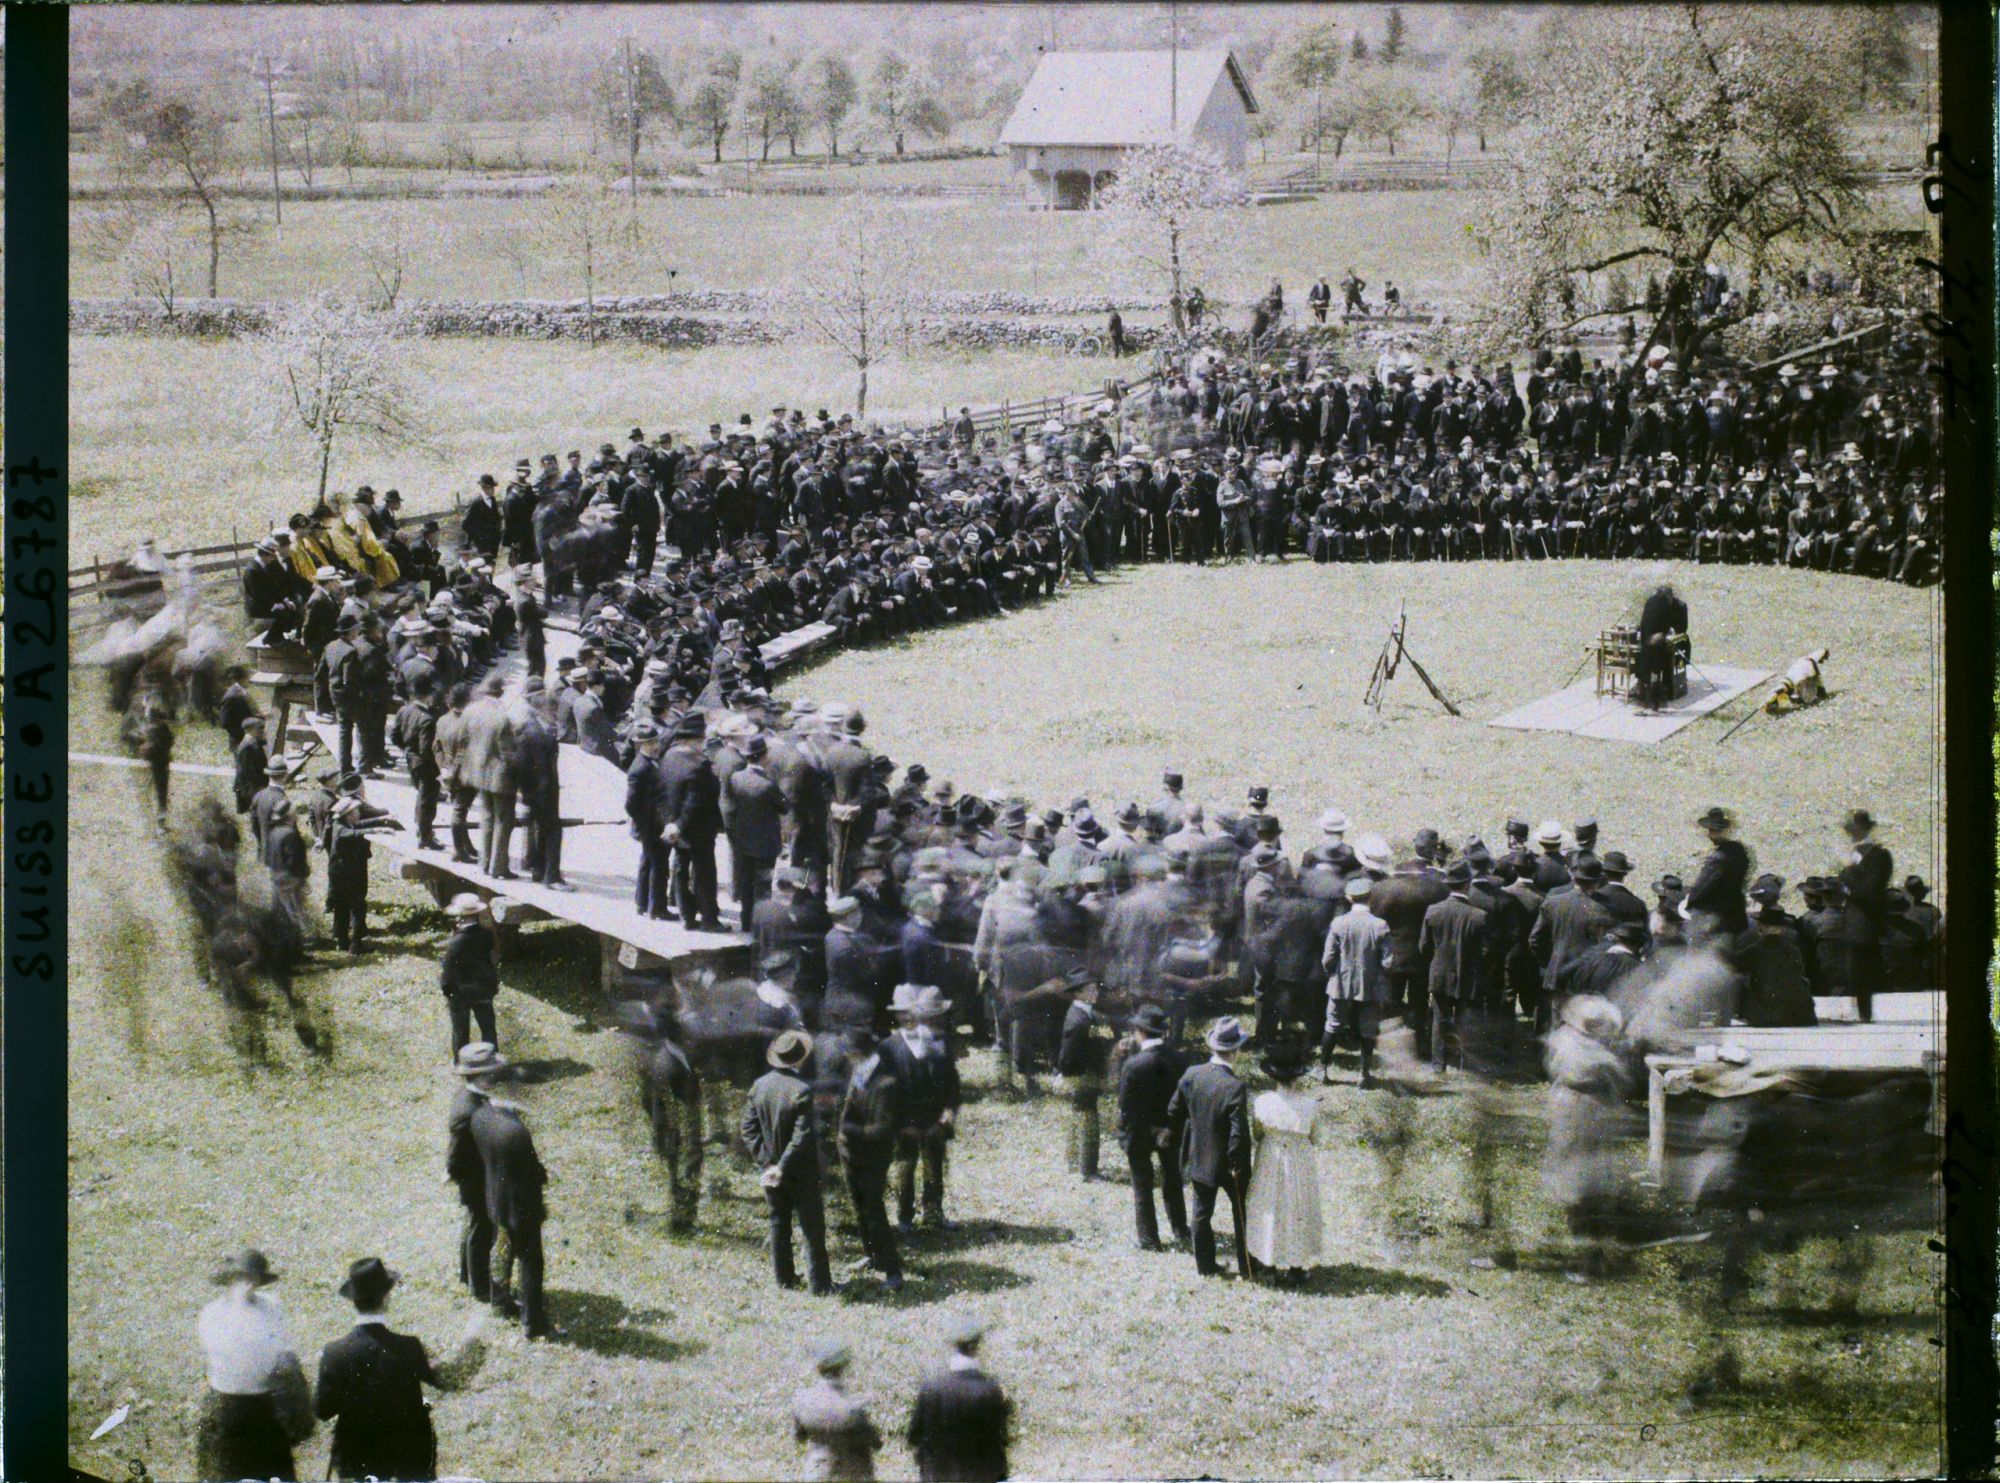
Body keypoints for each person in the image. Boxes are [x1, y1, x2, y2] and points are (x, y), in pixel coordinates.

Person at [313, 1256, 483, 1482]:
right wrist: (473, 1338)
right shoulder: (408, 1347)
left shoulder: (335, 1352)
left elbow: (322, 1410)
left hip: (358, 1461)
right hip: (407, 1461)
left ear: (353, 1301)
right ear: (386, 1298)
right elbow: (449, 1378)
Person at [461, 1043, 555, 1340]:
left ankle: (500, 1299)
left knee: (503, 1250)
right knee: (531, 1261)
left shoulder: (480, 1117)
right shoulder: (516, 1133)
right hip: (521, 1206)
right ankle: (533, 1322)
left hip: (496, 1199)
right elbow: (532, 1172)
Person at [195, 1248, 314, 1483]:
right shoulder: (213, 1314)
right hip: (227, 1408)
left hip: (265, 1406)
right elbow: (225, 1355)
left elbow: (281, 1350)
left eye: (253, 1278)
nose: (248, 1284)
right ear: (230, 1279)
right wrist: (238, 1308)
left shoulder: (271, 1307)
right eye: (242, 1278)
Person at [743, 1029, 835, 1295]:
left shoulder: (759, 1086)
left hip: (771, 1171)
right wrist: (782, 1167)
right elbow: (801, 1136)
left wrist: (768, 1164)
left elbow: (748, 1129)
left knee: (778, 1223)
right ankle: (820, 1285)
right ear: (800, 1059)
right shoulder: (801, 1090)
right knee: (811, 1227)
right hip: (800, 1171)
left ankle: (784, 1279)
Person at [1166, 1016, 1253, 1279]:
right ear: (1236, 1051)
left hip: (1199, 1156)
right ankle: (1248, 1267)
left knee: (1201, 1214)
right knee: (1242, 1214)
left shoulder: (1192, 1074)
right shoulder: (1235, 1087)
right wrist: (1237, 1164)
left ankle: (1205, 1267)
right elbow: (1239, 1134)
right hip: (1229, 1163)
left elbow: (1174, 1110)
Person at [878, 985, 961, 1233]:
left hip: (935, 1116)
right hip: (904, 1119)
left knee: (935, 1163)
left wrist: (949, 1109)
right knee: (905, 1165)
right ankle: (905, 1216)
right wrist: (896, 1123)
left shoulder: (941, 1043)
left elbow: (951, 1080)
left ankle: (933, 1212)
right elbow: (884, 1090)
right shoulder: (889, 1047)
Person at [1243, 1043, 1326, 1284]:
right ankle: (1296, 1266)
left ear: (1273, 1076)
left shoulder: (1263, 1102)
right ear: (1298, 1076)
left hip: (1271, 1156)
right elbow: (1315, 1137)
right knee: (1297, 1207)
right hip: (1299, 1160)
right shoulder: (1310, 1105)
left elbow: (1257, 1133)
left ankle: (1267, 1263)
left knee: (1269, 1205)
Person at [1117, 1003, 1191, 1250]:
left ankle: (1149, 1238)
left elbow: (1126, 1106)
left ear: (1140, 1031)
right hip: (1170, 1130)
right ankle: (1180, 1228)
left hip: (1140, 1131)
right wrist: (1169, 1127)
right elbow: (1183, 1099)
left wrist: (1125, 1134)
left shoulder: (1133, 1064)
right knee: (1173, 1179)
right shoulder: (1179, 1059)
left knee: (1142, 1185)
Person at [838, 1035, 906, 1292]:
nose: (845, 1057)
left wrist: (849, 1131)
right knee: (859, 1206)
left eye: (848, 1052)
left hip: (872, 1155)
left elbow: (882, 1128)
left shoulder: (886, 1082)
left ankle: (892, 1271)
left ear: (858, 1052)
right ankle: (871, 1255)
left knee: (874, 1210)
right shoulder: (858, 1072)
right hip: (850, 1152)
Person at [908, 1316, 1012, 1483]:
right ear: (976, 1347)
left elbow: (913, 1437)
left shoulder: (931, 1388)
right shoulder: (991, 1390)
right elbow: (1003, 1439)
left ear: (953, 1347)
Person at [1322, 875, 1393, 1087]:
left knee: (1333, 1025)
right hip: (1369, 984)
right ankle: (1364, 1074)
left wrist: (1333, 974)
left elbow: (1328, 958)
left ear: (1350, 898)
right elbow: (1388, 962)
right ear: (1370, 897)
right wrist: (1380, 977)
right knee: (1368, 1029)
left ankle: (1323, 1070)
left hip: (1340, 983)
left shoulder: (1338, 923)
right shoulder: (1380, 925)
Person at [793, 1340, 883, 1482]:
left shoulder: (801, 1401)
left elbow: (799, 1437)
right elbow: (876, 1443)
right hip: (852, 1475)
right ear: (843, 1367)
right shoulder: (853, 1408)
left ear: (818, 1367)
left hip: (816, 1474)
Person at [1057, 973, 1110, 1179]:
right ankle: (1087, 1170)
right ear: (1077, 993)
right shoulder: (1078, 1020)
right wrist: (1067, 1075)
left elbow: (1103, 1035)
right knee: (1088, 1121)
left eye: (1096, 988)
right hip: (1082, 1075)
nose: (1095, 993)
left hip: (1085, 1073)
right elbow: (1067, 1055)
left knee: (1078, 1116)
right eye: (1090, 990)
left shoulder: (1086, 1014)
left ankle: (1073, 1162)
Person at [441, 893, 500, 1054]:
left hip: (460, 992)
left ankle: (461, 1062)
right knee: (488, 1028)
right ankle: (492, 1058)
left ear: (460, 916)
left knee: (460, 1031)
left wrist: (446, 988)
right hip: (483, 987)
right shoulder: (487, 934)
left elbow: (449, 970)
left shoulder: (456, 942)